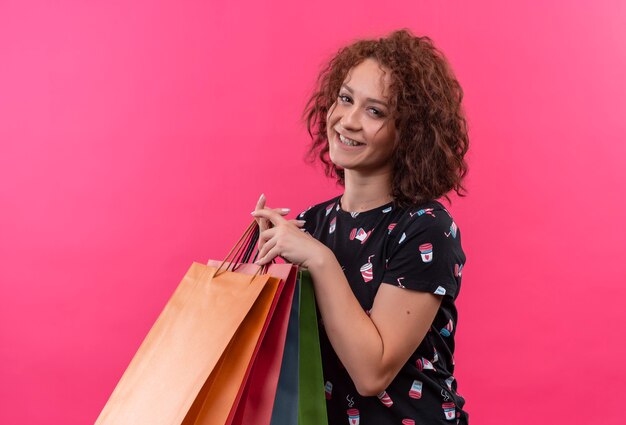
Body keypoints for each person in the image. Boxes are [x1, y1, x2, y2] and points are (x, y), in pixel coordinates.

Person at [251, 28, 469, 425]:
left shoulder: (426, 229)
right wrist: (267, 254)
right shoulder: (312, 224)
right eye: (346, 99)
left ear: (410, 133)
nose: (348, 121)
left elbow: (372, 374)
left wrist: (318, 259)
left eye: (375, 111)